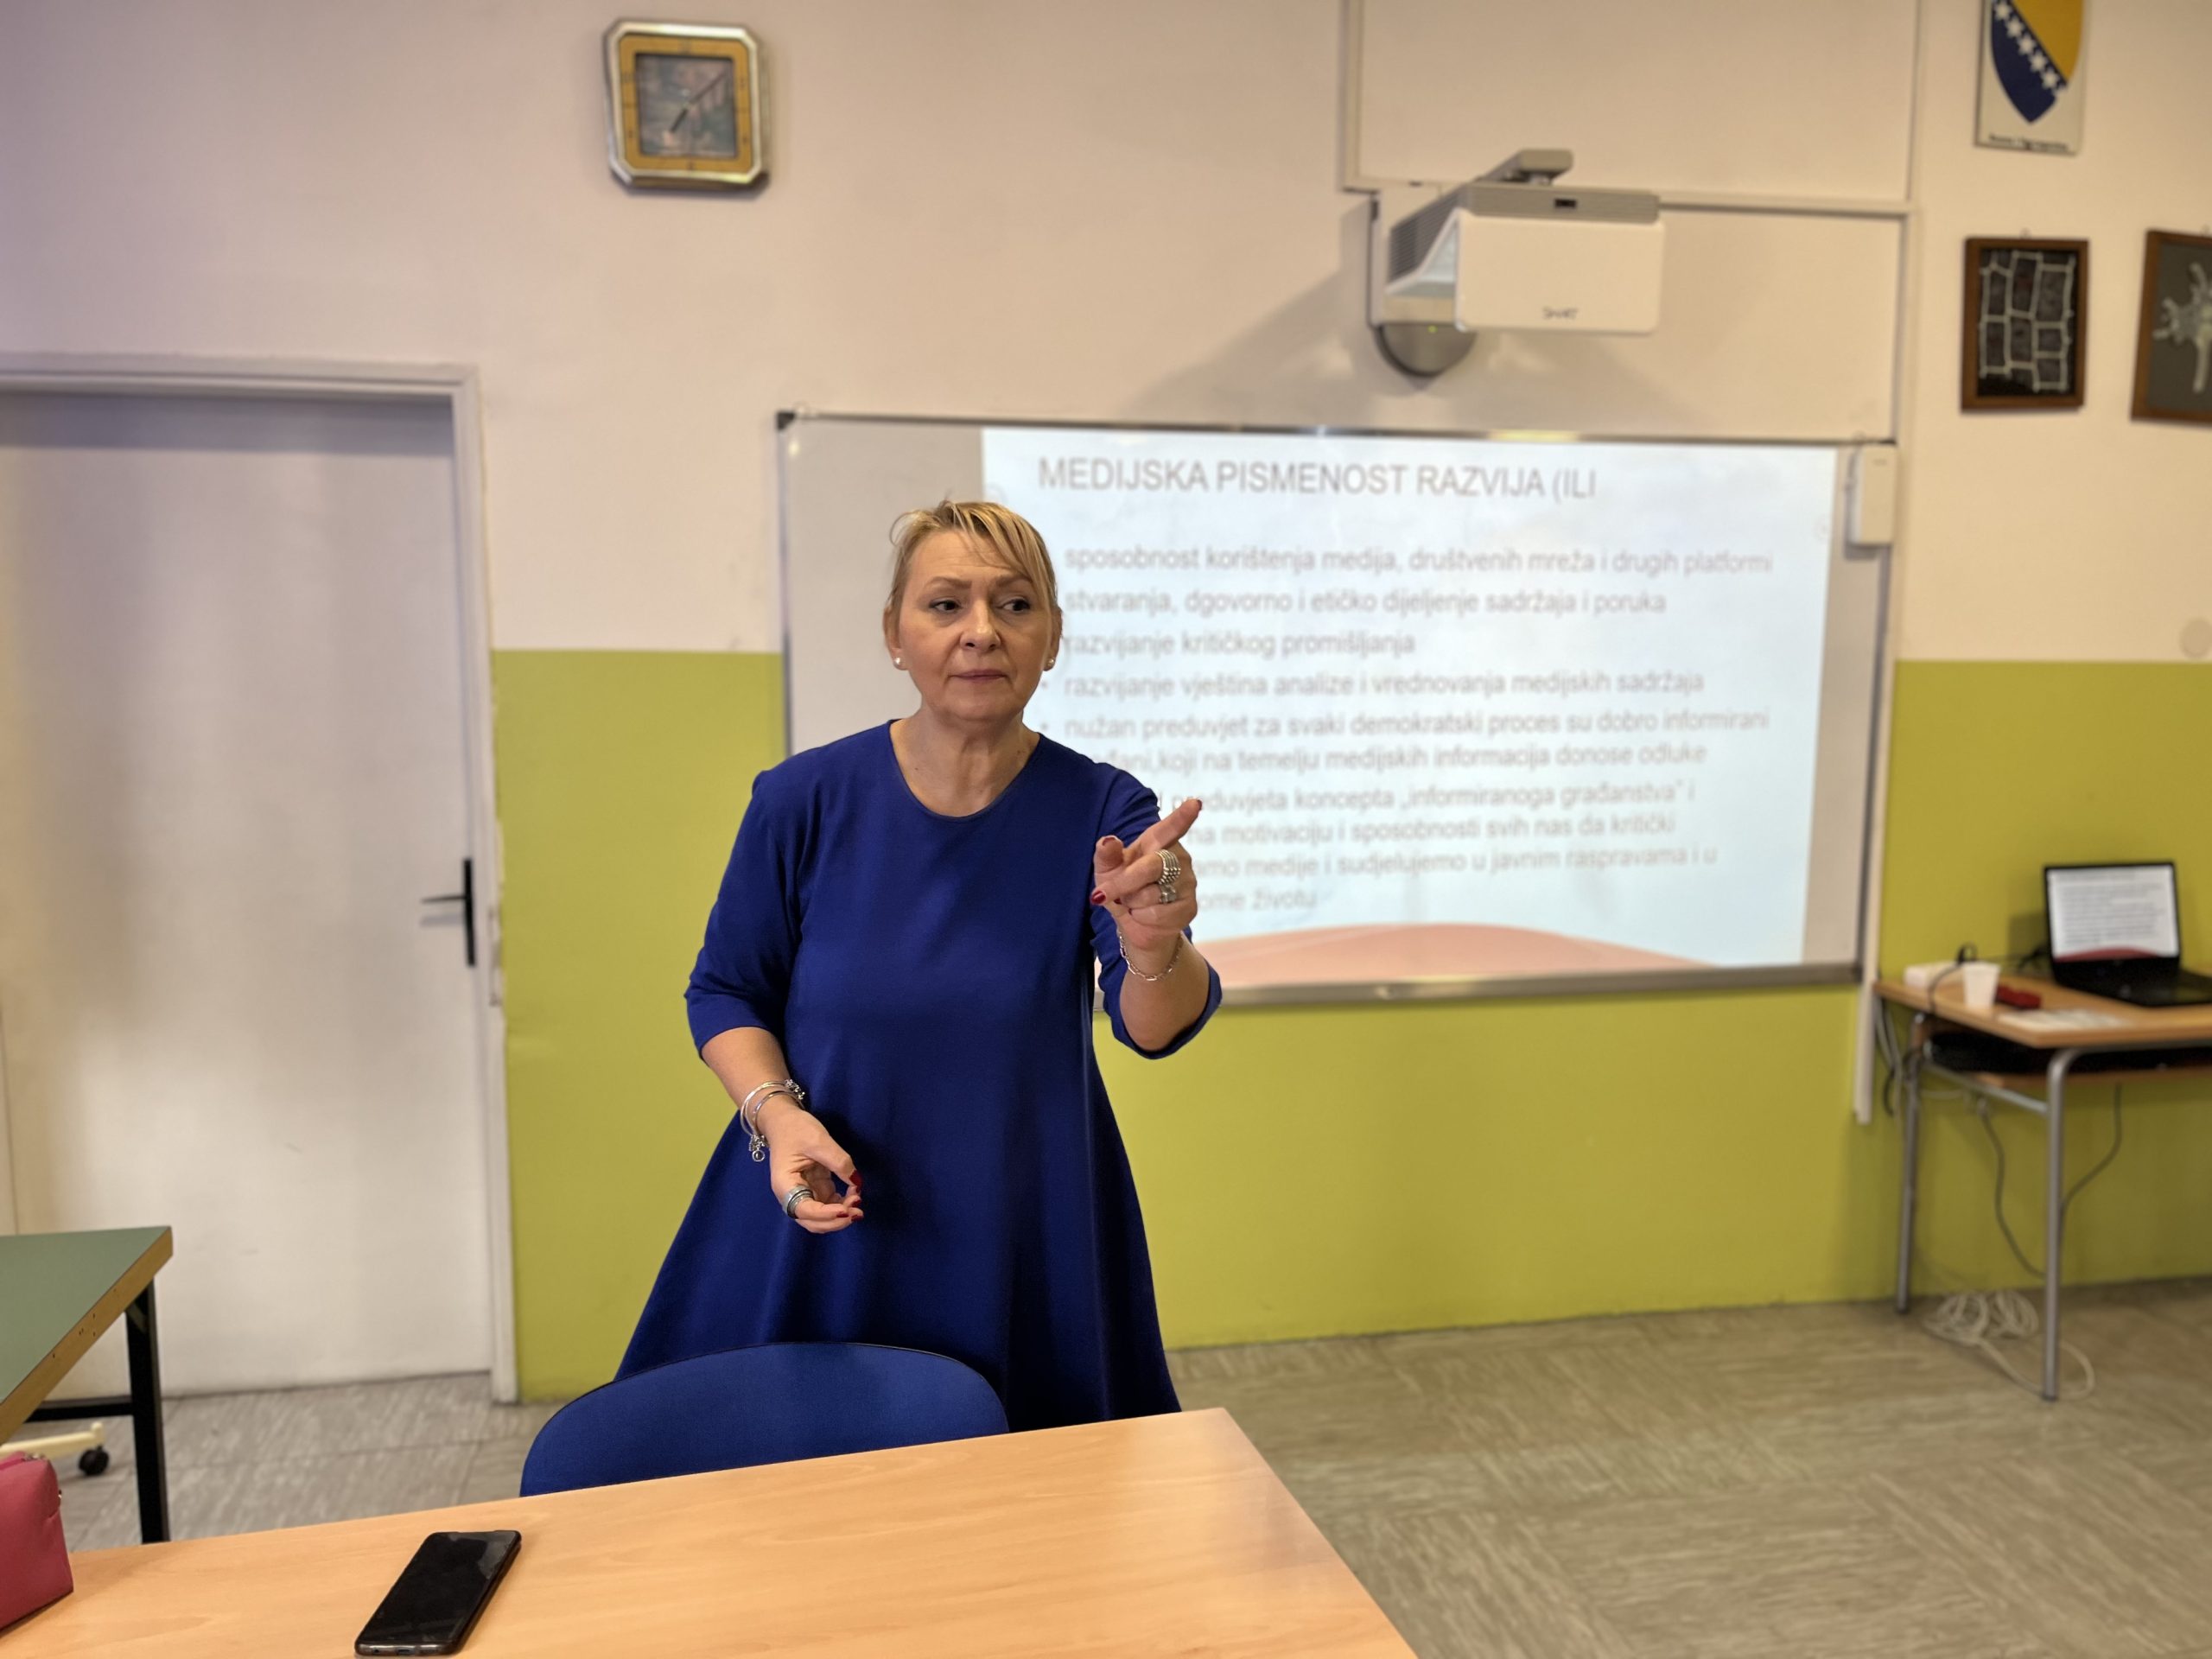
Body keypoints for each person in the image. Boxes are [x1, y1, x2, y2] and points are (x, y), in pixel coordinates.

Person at [619, 500, 1220, 1430]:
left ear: (1052, 637)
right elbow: (727, 989)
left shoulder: (1104, 806)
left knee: (1022, 1490)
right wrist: (777, 1118)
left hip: (1023, 1218)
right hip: (829, 1199)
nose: (981, 632)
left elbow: (1153, 1026)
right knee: (788, 1475)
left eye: (1015, 605)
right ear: (895, 636)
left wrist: (1154, 945)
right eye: (946, 605)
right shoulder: (802, 799)